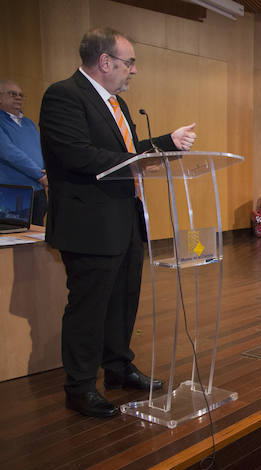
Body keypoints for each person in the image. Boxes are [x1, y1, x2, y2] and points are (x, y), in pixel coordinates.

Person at [40, 28, 197, 417]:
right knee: (89, 309)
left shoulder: (118, 106)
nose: (135, 70)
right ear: (105, 62)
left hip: (124, 220)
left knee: (123, 302)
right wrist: (138, 158)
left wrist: (165, 142)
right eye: (130, 62)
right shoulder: (64, 96)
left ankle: (117, 368)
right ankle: (78, 387)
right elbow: (79, 155)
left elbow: (122, 153)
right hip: (88, 225)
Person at [0, 79, 47, 225]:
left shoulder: (28, 123)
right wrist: (40, 176)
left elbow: (42, 149)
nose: (18, 97)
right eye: (12, 94)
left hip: (38, 190)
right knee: (15, 239)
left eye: (21, 94)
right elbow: (9, 153)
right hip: (12, 192)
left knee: (37, 238)